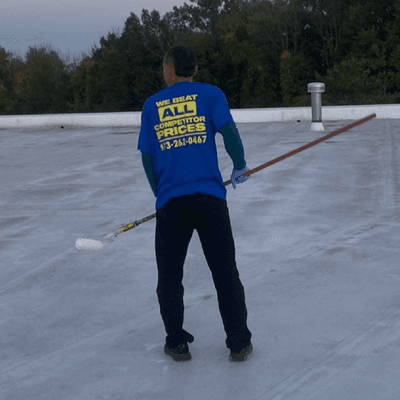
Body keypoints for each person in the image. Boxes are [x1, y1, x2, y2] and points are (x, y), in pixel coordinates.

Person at [137, 45, 253, 362]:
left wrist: (159, 192)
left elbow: (147, 158)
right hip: (210, 199)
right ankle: (239, 342)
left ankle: (176, 341)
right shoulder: (211, 94)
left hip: (172, 203)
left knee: (170, 276)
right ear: (195, 70)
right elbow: (229, 133)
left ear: (168, 69)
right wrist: (240, 165)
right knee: (225, 272)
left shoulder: (151, 106)